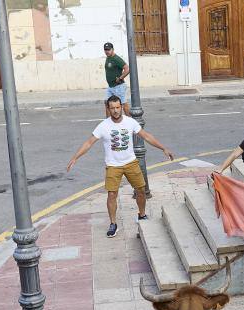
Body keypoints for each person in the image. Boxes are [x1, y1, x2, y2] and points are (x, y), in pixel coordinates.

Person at [67, 95, 175, 238]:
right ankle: (113, 223)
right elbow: (89, 143)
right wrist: (75, 157)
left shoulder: (130, 122)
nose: (116, 111)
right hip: (113, 166)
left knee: (141, 190)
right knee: (112, 194)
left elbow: (146, 136)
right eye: (113, 108)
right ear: (108, 109)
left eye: (118, 107)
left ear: (122, 107)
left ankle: (141, 215)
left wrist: (163, 148)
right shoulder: (103, 126)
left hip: (131, 162)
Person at [103, 42, 130, 117]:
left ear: (112, 49)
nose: (107, 51)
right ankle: (108, 122)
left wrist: (121, 78)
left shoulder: (116, 58)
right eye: (105, 50)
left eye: (108, 50)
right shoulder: (108, 57)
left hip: (118, 86)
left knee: (123, 104)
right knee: (107, 103)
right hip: (111, 86)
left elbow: (127, 68)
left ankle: (131, 121)